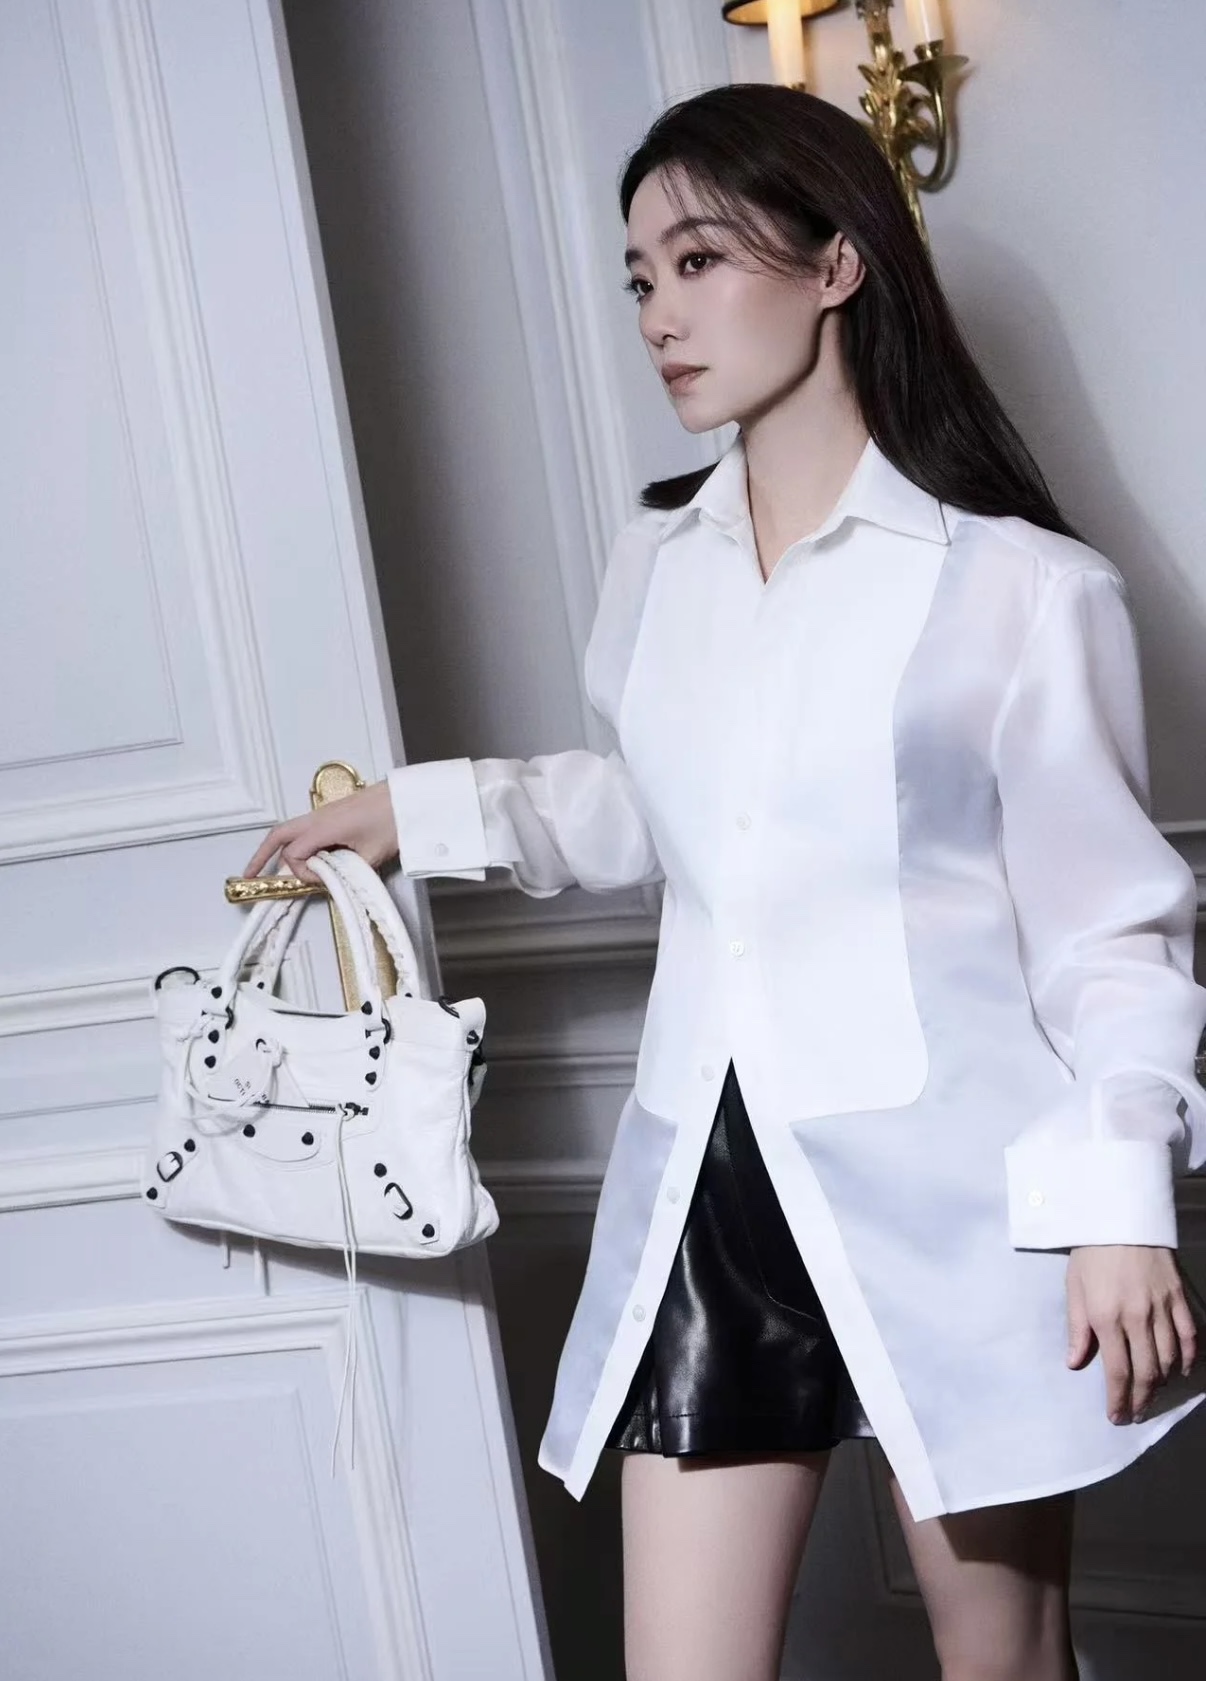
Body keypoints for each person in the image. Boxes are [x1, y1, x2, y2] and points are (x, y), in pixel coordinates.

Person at [243, 84, 1206, 1681]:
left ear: (836, 263)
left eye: (697, 261)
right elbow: (660, 807)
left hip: (963, 1203)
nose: (656, 316)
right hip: (707, 1181)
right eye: (638, 277)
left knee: (1003, 1664)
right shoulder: (658, 564)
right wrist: (419, 811)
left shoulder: (1025, 591)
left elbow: (1112, 933)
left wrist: (1119, 1203)